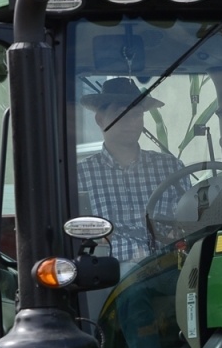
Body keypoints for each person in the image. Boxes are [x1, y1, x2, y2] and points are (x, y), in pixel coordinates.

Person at [75, 77, 188, 265]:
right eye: (121, 114)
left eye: (136, 114)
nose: (130, 121)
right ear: (100, 119)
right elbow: (79, 237)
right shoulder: (79, 177)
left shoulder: (171, 168)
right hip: (109, 277)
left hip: (167, 268)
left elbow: (187, 224)